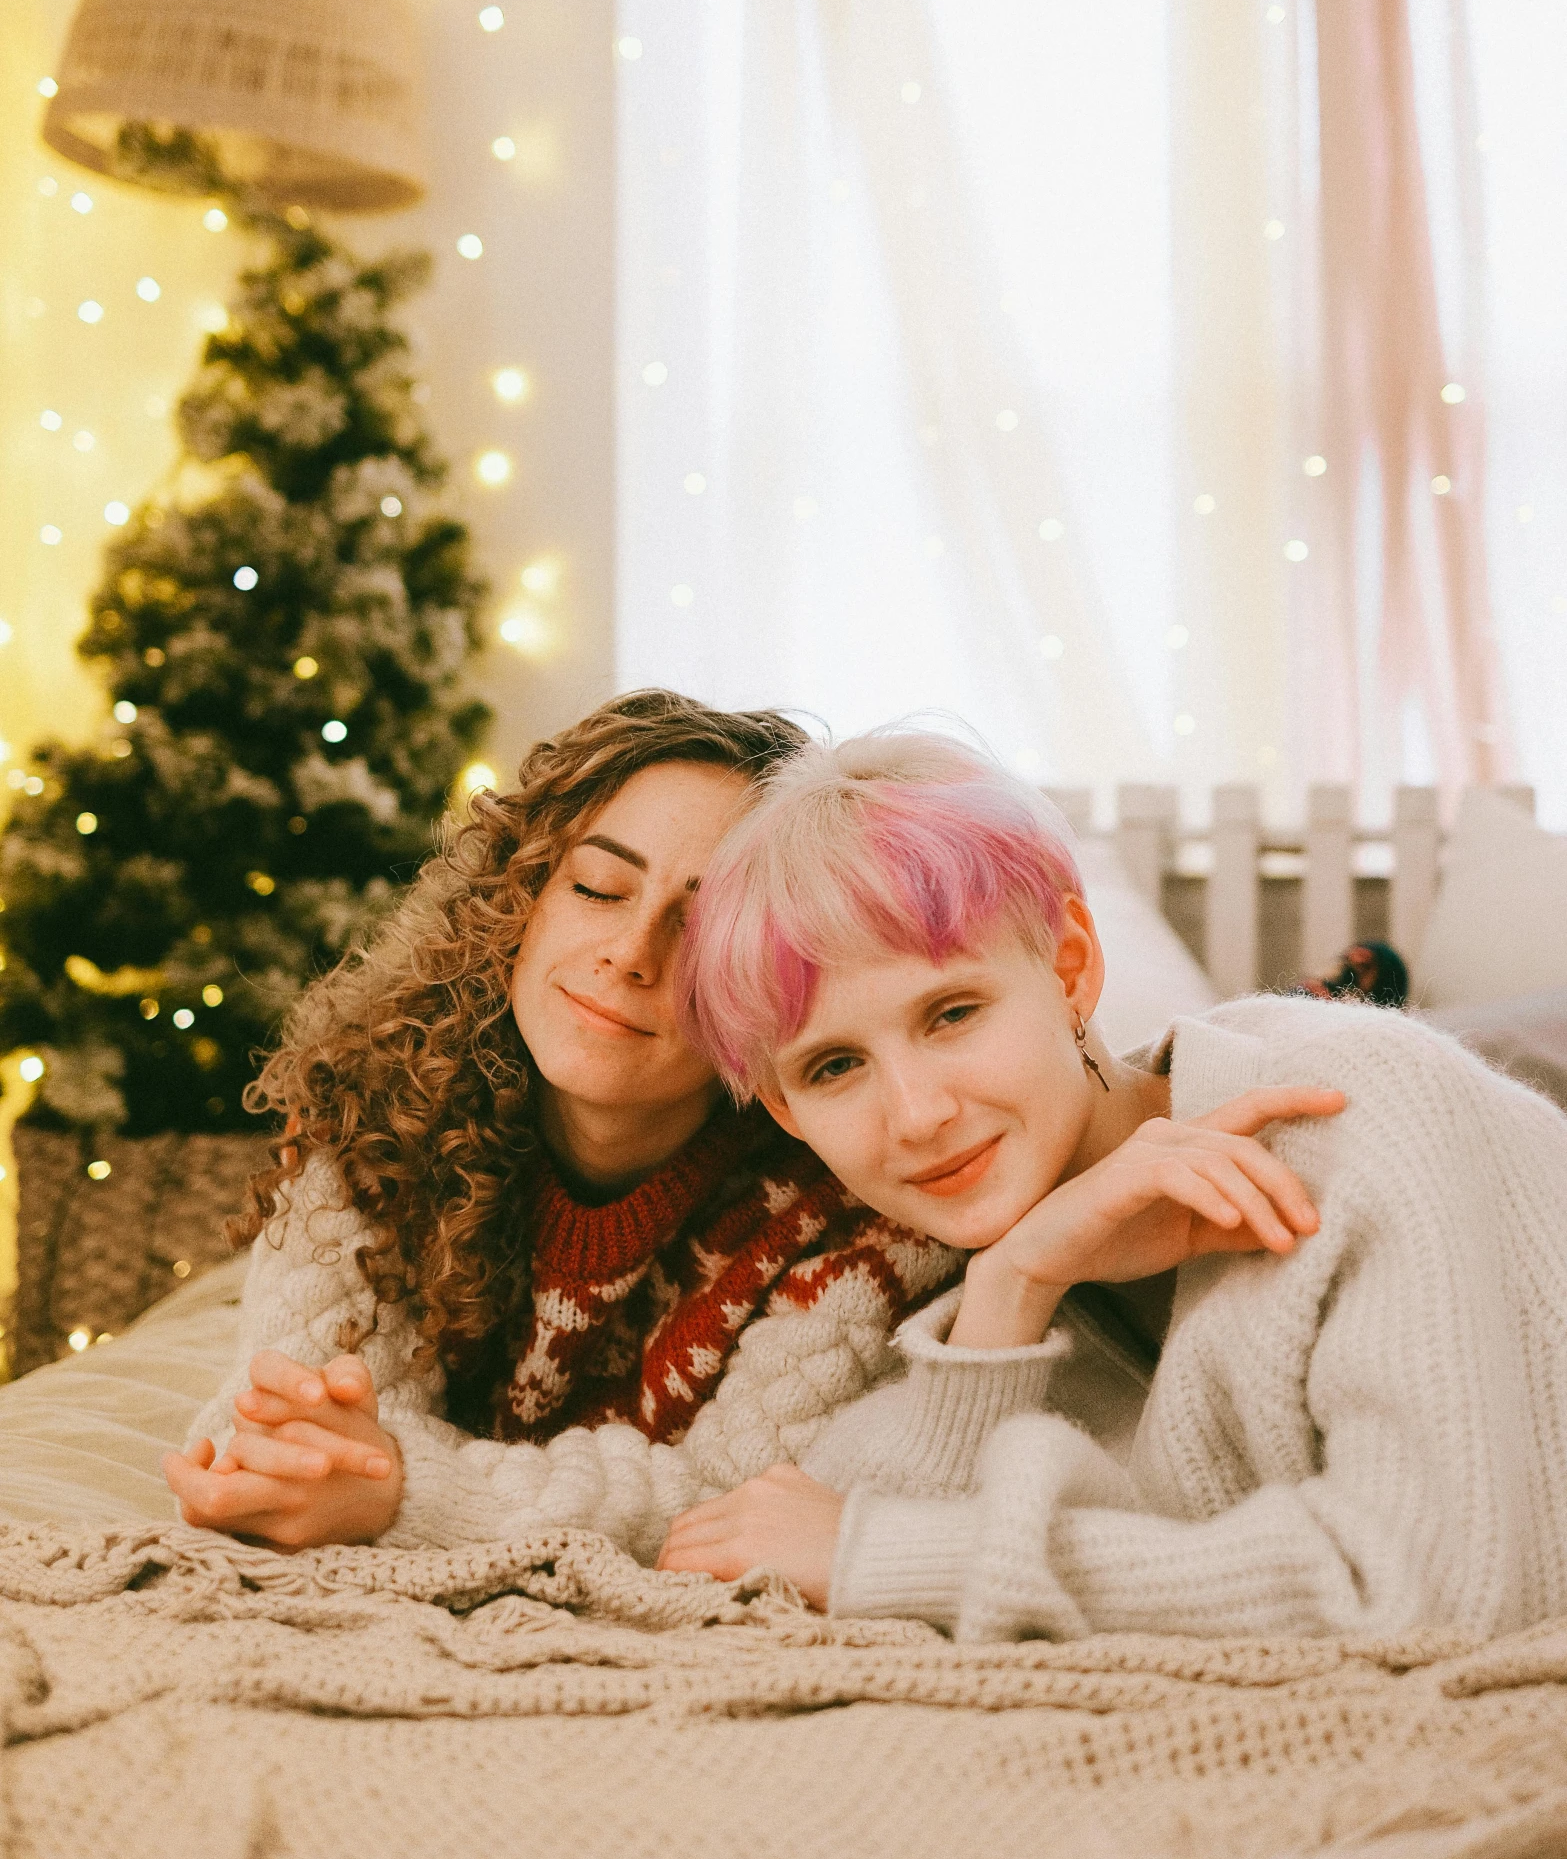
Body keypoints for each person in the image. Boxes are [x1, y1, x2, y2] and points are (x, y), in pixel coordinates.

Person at [663, 731, 1567, 1644]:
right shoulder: (966, 1265)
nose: (915, 1115)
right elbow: (835, 1521)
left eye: (952, 1013)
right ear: (784, 1110)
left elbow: (1442, 1587)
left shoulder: (1355, 1115)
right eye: (832, 1067)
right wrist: (1009, 1290)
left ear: (1069, 970)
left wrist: (897, 1558)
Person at [165, 692, 957, 1555]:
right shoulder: (380, 1106)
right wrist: (345, 1468)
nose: (630, 951)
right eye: (598, 887)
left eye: (699, 927)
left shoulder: (856, 1200)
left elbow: (735, 1504)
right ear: (520, 899)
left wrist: (407, 1489)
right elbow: (289, 1429)